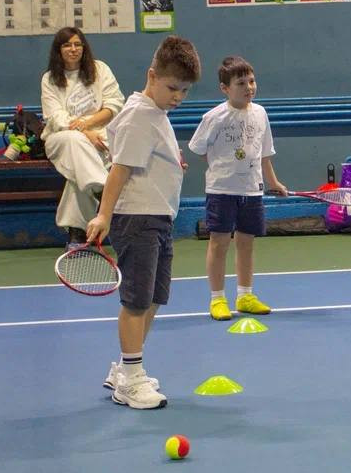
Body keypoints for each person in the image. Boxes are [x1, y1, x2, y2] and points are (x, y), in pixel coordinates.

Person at [86, 36, 201, 409]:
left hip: (158, 218)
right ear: (152, 76)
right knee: (136, 302)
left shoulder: (155, 113)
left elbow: (143, 159)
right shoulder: (139, 115)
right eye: (172, 88)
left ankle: (125, 369)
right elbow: (119, 169)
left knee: (153, 298)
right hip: (138, 218)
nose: (178, 97)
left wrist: (171, 163)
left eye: (184, 90)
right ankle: (131, 381)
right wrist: (104, 214)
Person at [189, 56, 287, 321]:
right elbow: (198, 149)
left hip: (252, 191)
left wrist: (274, 182)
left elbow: (265, 154)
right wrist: (223, 166)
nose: (249, 87)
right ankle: (217, 298)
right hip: (221, 191)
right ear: (225, 88)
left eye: (251, 81)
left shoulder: (261, 113)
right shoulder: (214, 117)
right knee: (219, 243)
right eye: (241, 83)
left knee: (246, 244)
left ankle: (245, 296)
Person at [40, 28, 125, 243]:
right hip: (62, 137)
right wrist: (85, 132)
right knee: (75, 141)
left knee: (77, 174)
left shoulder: (100, 69)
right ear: (58, 50)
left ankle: (77, 234)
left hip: (100, 134)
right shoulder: (49, 79)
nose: (73, 49)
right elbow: (56, 117)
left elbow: (114, 104)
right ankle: (103, 191)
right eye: (67, 45)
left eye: (77, 44)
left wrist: (88, 124)